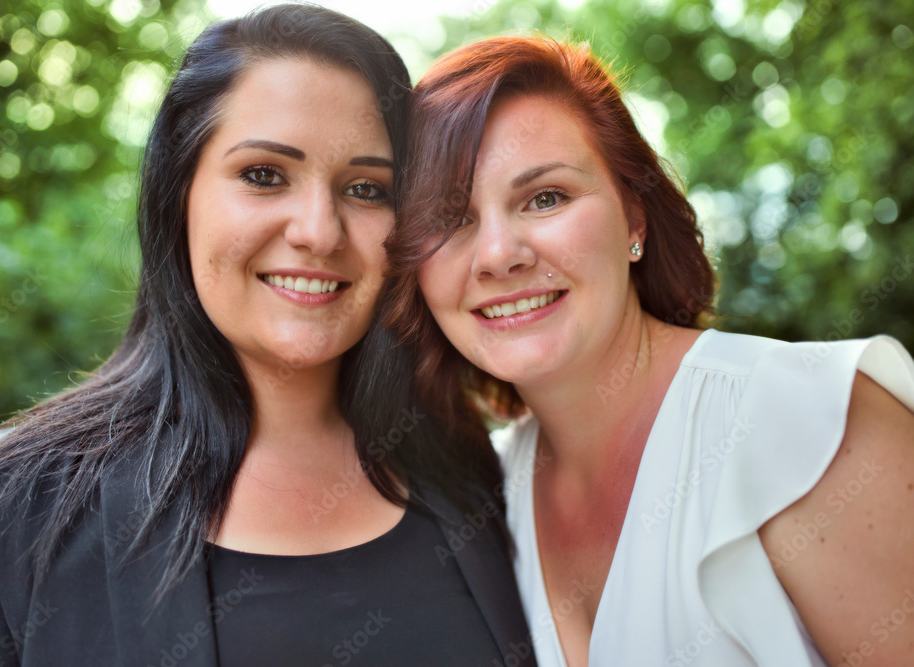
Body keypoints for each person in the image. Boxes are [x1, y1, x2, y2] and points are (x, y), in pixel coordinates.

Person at [0, 7, 537, 666]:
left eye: (365, 188)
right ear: (178, 194)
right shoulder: (11, 505)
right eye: (264, 174)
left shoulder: (481, 475)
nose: (318, 231)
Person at [386, 34, 914, 666]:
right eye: (450, 219)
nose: (499, 255)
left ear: (633, 219)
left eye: (545, 197)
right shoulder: (484, 496)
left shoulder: (808, 420)